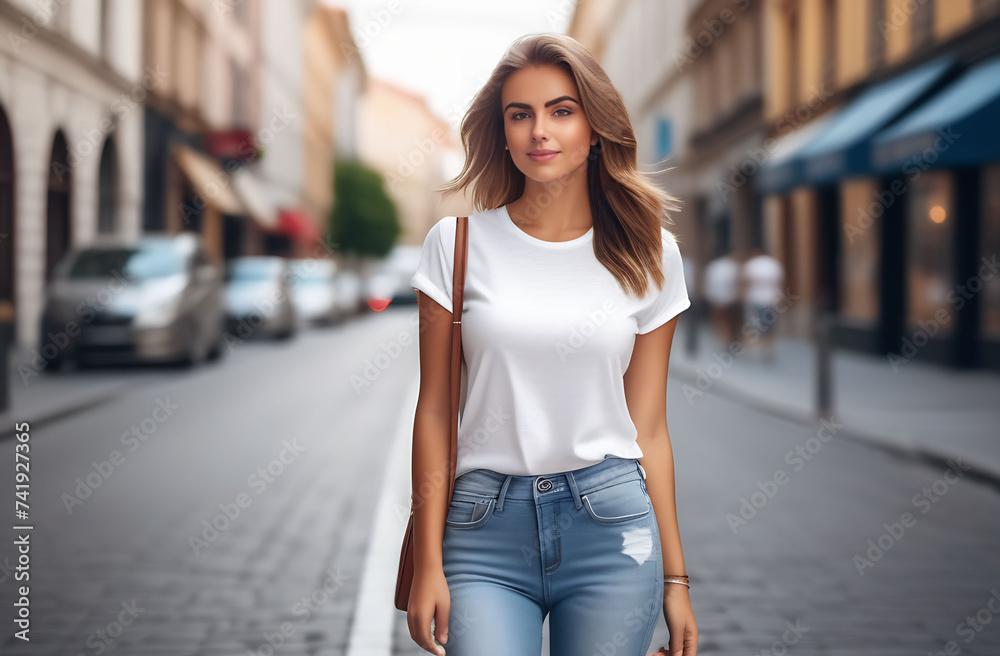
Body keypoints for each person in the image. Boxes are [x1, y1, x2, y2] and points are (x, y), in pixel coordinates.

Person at [406, 34, 698, 656]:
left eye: (562, 110)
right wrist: (428, 561)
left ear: (596, 129)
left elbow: (649, 428)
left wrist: (676, 579)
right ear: (503, 131)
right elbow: (435, 409)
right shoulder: (455, 246)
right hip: (482, 529)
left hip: (614, 529)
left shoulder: (651, 254)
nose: (540, 130)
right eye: (521, 114)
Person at [740, 246, 785, 362]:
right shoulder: (774, 264)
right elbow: (779, 282)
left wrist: (744, 298)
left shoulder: (751, 264)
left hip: (754, 299)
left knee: (753, 325)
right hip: (771, 299)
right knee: (770, 326)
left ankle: (753, 349)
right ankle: (768, 349)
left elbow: (746, 283)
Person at [701, 253, 740, 346]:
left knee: (721, 320)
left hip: (718, 298)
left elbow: (707, 283)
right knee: (731, 321)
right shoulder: (734, 266)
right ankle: (729, 338)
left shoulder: (713, 266)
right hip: (731, 298)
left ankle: (724, 338)